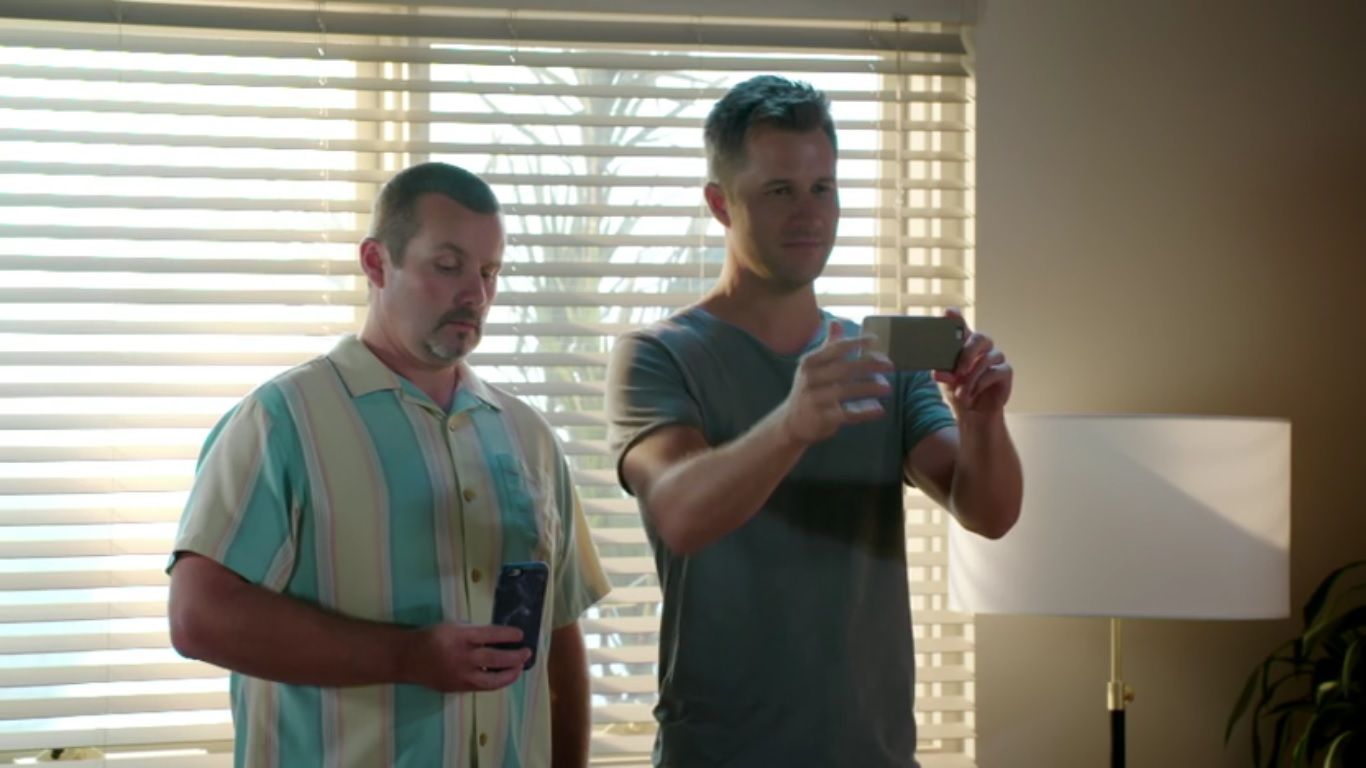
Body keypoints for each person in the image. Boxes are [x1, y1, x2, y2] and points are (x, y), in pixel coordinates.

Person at [605, 76, 1023, 767]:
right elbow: (679, 514)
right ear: (720, 204)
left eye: (822, 188)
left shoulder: (880, 359)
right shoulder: (657, 356)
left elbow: (990, 512)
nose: (809, 214)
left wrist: (982, 421)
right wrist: (792, 424)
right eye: (780, 191)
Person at [168, 162, 611, 768]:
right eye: (448, 266)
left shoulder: (528, 436)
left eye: (489, 272)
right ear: (376, 263)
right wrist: (407, 657)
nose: (476, 294)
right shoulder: (281, 422)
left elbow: (558, 637)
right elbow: (198, 618)